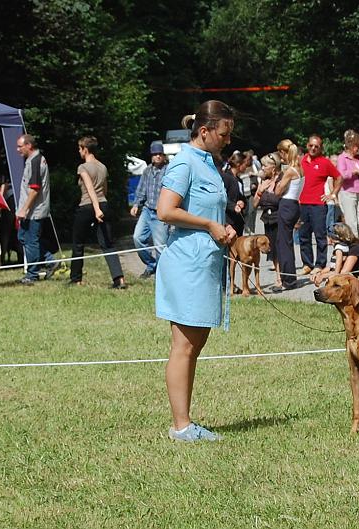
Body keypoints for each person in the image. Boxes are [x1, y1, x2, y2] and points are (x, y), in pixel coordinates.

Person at [156, 100, 238, 442]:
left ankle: (185, 421)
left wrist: (223, 228)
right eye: (223, 133)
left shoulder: (210, 164)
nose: (227, 140)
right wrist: (207, 224)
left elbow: (210, 213)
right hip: (186, 264)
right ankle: (181, 426)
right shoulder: (184, 164)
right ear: (204, 131)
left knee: (195, 343)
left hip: (204, 262)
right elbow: (165, 210)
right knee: (184, 346)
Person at [69, 136, 127, 289]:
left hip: (88, 206)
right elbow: (104, 190)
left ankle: (76, 279)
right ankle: (119, 279)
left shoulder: (83, 168)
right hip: (104, 204)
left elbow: (89, 188)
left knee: (78, 243)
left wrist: (96, 209)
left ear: (85, 149)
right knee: (108, 244)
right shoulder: (103, 167)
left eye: (80, 148)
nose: (79, 151)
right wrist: (101, 207)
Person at [15, 133, 57, 284]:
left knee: (31, 240)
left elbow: (34, 189)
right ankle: (50, 260)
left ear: (29, 146)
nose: (18, 149)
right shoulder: (33, 160)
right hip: (31, 209)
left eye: (20, 146)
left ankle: (32, 274)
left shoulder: (35, 161)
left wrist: (23, 209)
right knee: (23, 237)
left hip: (34, 210)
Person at [299, 134, 341, 275]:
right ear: (307, 145)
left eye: (316, 146)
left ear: (320, 148)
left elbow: (339, 177)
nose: (313, 148)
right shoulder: (302, 161)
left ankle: (320, 264)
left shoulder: (325, 162)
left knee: (320, 236)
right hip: (303, 203)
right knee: (303, 235)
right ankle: (307, 263)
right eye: (311, 145)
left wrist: (333, 194)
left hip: (318, 204)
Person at [312, 222, 359, 300]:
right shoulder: (346, 247)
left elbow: (343, 273)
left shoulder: (355, 248)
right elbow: (332, 267)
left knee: (341, 285)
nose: (328, 241)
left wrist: (323, 277)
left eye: (330, 238)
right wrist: (319, 274)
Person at [130, 141, 169, 278]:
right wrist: (136, 205)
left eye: (160, 154)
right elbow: (141, 189)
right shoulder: (147, 171)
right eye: (155, 154)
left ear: (164, 156)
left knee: (160, 246)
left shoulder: (169, 170)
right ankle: (151, 264)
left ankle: (162, 273)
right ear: (151, 156)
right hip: (147, 210)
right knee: (137, 238)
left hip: (161, 213)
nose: (158, 156)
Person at [274, 139, 304, 291]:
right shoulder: (300, 168)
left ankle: (288, 280)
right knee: (288, 243)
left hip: (286, 205)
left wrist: (277, 183)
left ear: (283, 152)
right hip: (294, 204)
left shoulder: (290, 171)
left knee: (283, 244)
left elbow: (278, 191)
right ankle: (289, 277)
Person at [336, 130, 359, 239]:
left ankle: (355, 242)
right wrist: (354, 172)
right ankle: (354, 249)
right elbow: (342, 175)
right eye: (357, 146)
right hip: (348, 193)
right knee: (352, 224)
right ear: (350, 145)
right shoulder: (342, 158)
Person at [253, 153, 283, 288]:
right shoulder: (263, 181)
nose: (263, 168)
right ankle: (278, 276)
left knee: (280, 248)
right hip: (267, 219)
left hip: (279, 217)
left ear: (274, 167)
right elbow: (254, 205)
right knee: (273, 249)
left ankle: (282, 277)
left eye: (265, 165)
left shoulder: (281, 180)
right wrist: (260, 191)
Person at [221, 151, 250, 236]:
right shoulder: (226, 177)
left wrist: (242, 202)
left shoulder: (238, 179)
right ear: (238, 164)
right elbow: (222, 197)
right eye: (245, 164)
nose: (246, 166)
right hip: (229, 220)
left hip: (238, 219)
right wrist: (233, 206)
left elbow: (241, 197)